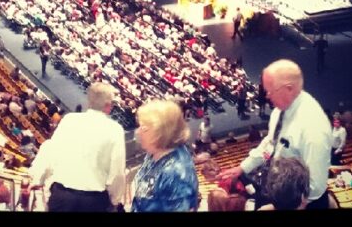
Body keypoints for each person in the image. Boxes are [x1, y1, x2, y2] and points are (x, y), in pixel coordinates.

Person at [217, 59, 332, 209]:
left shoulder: (313, 127)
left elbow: (315, 185)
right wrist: (243, 167)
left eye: (271, 90)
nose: (266, 96)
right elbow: (270, 143)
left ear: (289, 88)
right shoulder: (280, 110)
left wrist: (279, 205)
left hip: (300, 203)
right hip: (280, 191)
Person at [28, 82, 126, 212]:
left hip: (62, 197)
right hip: (93, 202)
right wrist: (115, 200)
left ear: (89, 102)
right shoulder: (115, 129)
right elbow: (117, 172)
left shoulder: (69, 120)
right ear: (109, 106)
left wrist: (38, 180)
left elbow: (50, 153)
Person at [132, 99, 199, 212]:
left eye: (143, 128)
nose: (138, 132)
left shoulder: (176, 172)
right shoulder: (154, 152)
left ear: (162, 132)